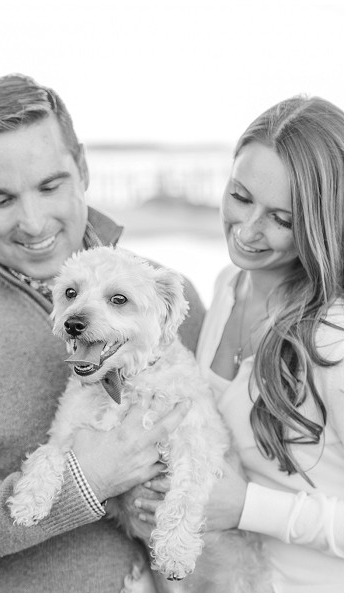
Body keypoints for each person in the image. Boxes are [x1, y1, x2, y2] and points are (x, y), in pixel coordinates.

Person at [0, 73, 205, 592]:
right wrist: (84, 482)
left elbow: (226, 462)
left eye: (50, 186)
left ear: (82, 167)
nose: (34, 222)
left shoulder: (169, 299)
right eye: (0, 199)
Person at [139, 96, 344, 592]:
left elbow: (237, 498)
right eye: (241, 196)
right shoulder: (228, 285)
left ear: (322, 223)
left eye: (282, 218)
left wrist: (246, 506)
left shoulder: (334, 335)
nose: (248, 231)